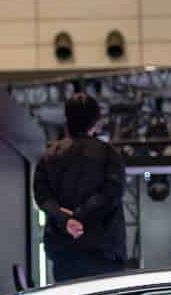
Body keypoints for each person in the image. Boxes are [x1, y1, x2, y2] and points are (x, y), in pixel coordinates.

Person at [31, 93, 127, 280]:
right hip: (103, 250)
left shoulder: (49, 156)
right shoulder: (109, 154)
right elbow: (111, 194)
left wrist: (66, 220)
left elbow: (42, 197)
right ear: (97, 122)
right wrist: (80, 216)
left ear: (67, 120)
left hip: (63, 249)